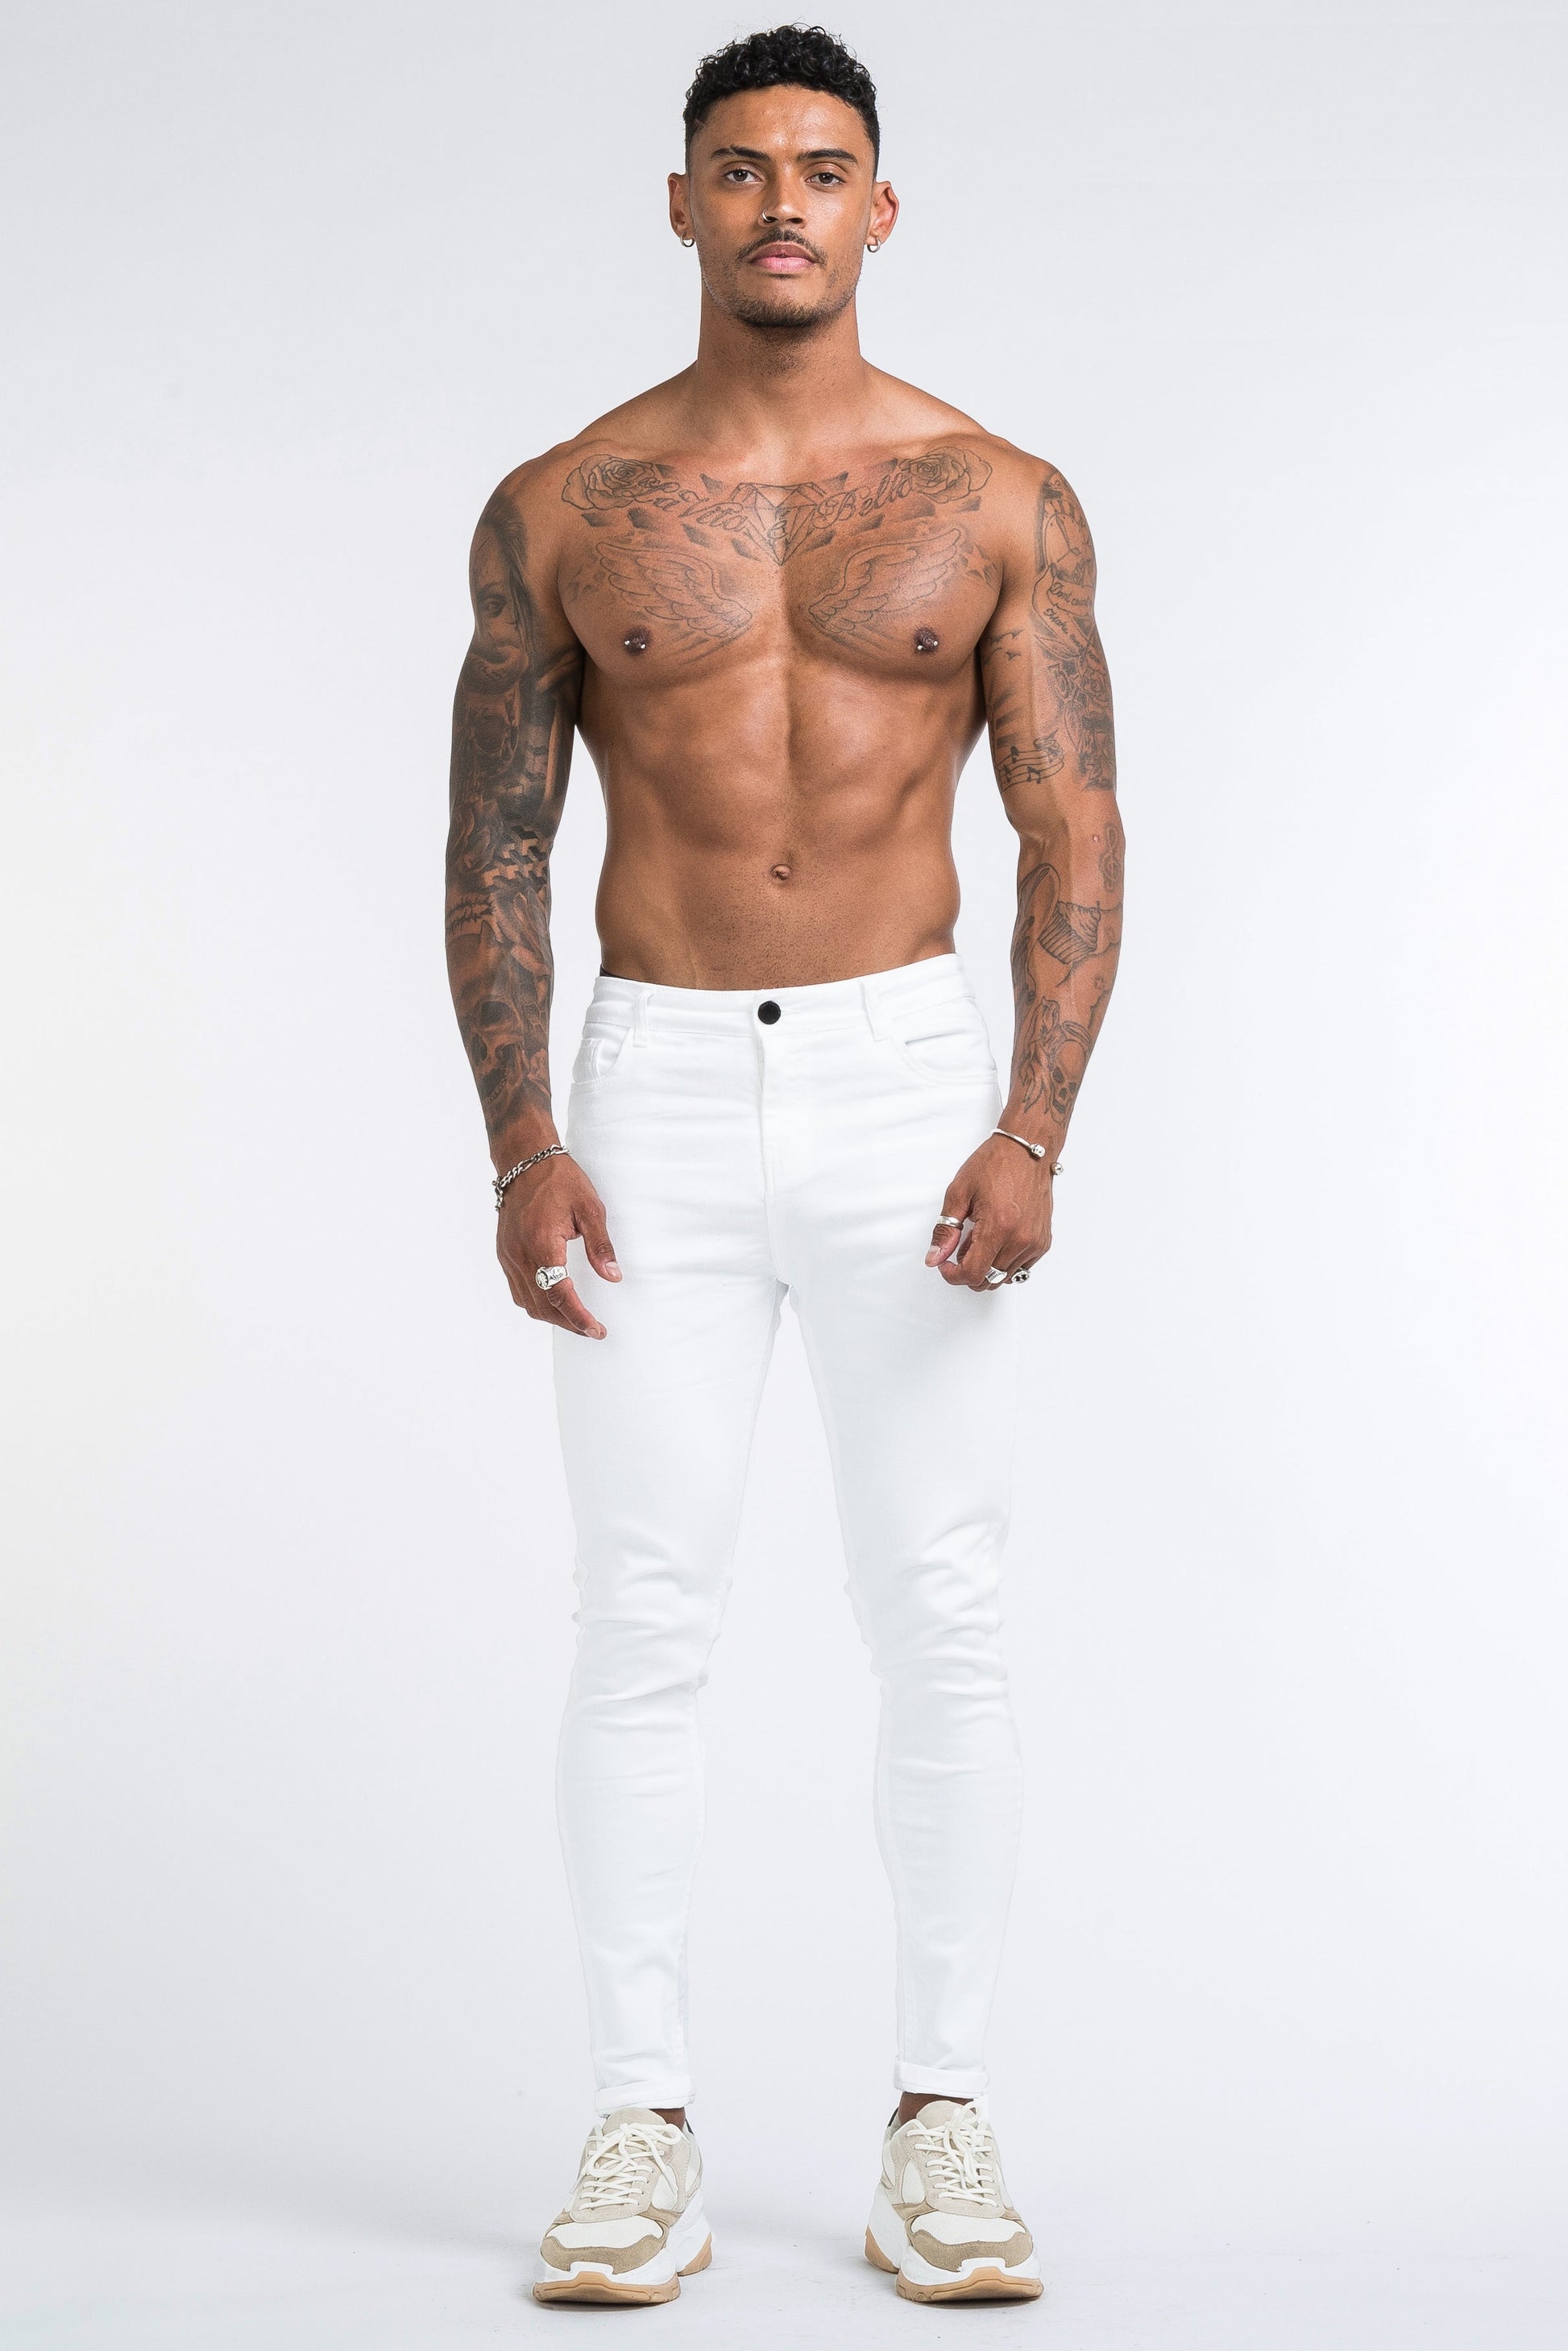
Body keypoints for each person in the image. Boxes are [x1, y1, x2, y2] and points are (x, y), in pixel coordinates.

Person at [444, 22, 1122, 2311]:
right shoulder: (563, 505)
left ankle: (942, 2121)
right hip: (646, 1087)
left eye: (821, 169)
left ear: (880, 207)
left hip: (903, 1082)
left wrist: (1030, 1123)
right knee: (642, 1613)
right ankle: (639, 2127)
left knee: (938, 1604)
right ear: (680, 205)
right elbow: (495, 842)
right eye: (739, 170)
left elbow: (1072, 828)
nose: (781, 206)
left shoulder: (996, 496)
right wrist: (524, 1137)